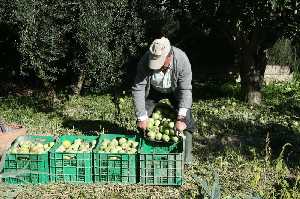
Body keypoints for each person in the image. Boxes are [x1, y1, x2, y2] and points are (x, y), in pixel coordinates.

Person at [132, 36, 196, 165]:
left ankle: (186, 158)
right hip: (154, 90)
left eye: (160, 62)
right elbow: (138, 87)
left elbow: (185, 90)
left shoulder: (182, 60)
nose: (157, 67)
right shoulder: (145, 60)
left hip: (175, 90)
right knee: (143, 118)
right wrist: (141, 116)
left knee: (187, 121)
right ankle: (146, 150)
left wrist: (181, 118)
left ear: (169, 56)